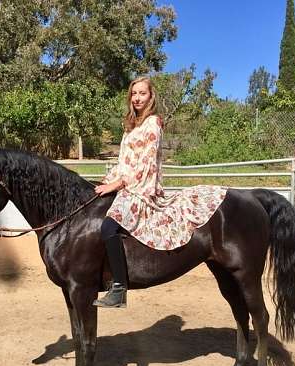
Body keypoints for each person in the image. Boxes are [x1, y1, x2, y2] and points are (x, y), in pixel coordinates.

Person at [93, 77, 227, 309]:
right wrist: (105, 182)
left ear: (151, 96)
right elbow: (123, 162)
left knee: (108, 226)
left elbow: (144, 165)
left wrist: (117, 185)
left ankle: (119, 289)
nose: (136, 98)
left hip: (141, 188)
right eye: (134, 93)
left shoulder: (153, 124)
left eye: (142, 93)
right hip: (126, 184)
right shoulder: (131, 125)